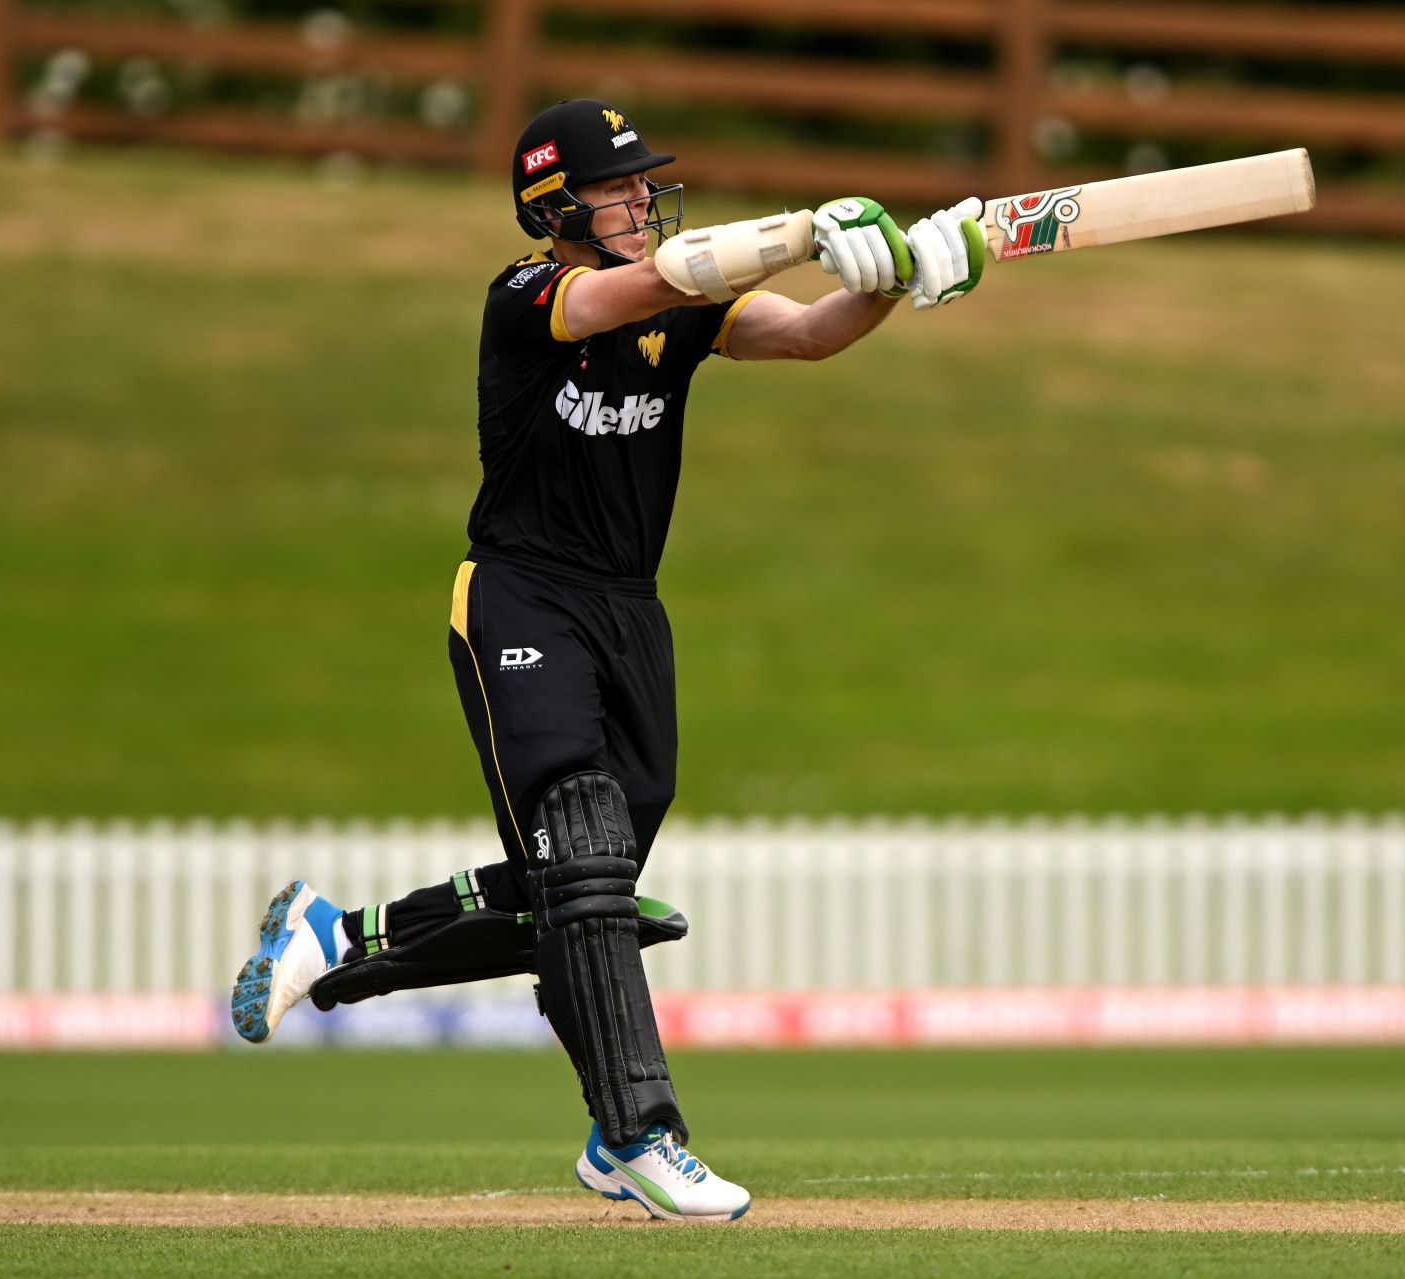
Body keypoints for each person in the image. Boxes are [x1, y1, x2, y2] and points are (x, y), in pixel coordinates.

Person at [226, 99, 984, 1222]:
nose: (641, 199)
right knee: (580, 862)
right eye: (621, 187)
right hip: (522, 591)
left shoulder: (686, 307)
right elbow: (625, 294)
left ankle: (334, 942)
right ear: (556, 206)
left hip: (632, 612)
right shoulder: (531, 296)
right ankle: (640, 1131)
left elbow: (810, 333)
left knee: (573, 891)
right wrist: (805, 229)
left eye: (645, 185)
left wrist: (897, 279)